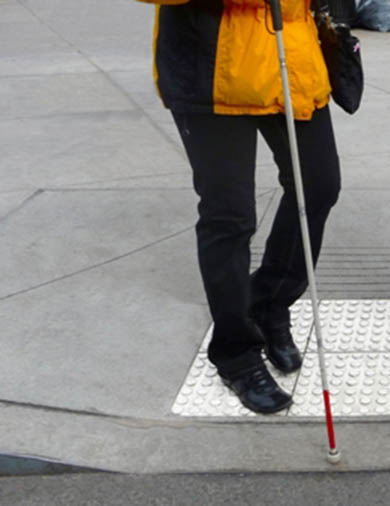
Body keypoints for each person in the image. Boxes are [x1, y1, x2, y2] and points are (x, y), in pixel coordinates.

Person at [138, 0, 341, 413]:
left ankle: (269, 302)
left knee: (317, 186)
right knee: (229, 215)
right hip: (209, 68)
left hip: (290, 56)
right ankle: (236, 353)